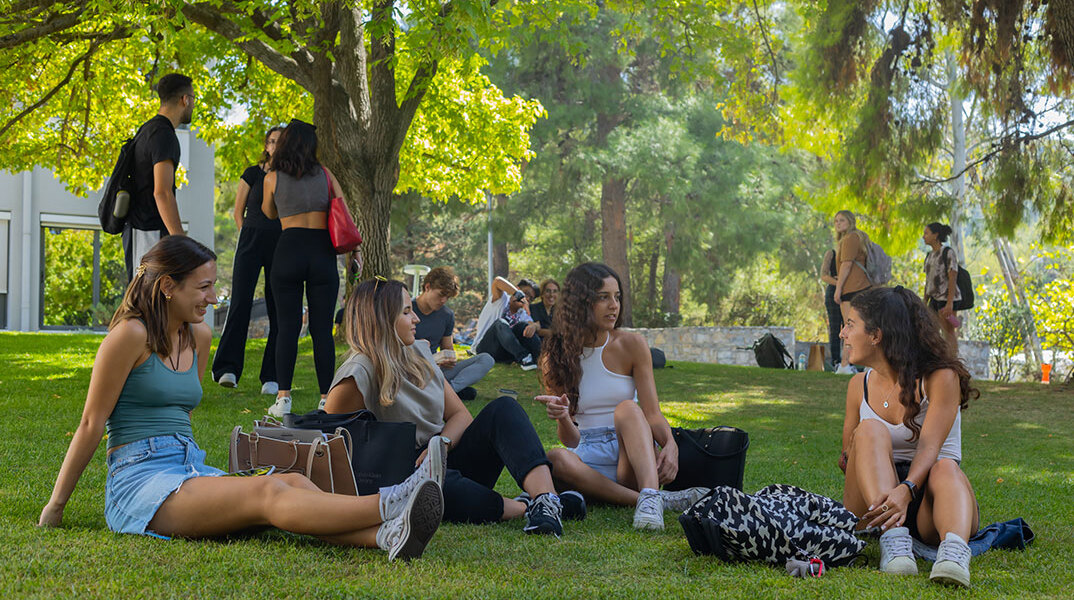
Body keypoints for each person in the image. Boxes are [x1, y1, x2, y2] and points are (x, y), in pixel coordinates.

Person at [38, 236, 443, 562]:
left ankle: (385, 536)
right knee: (268, 495)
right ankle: (391, 502)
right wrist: (56, 507)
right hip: (140, 481)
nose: (214, 298)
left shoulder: (198, 336)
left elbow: (183, 410)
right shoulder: (128, 336)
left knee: (293, 482)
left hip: (188, 466)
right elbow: (92, 423)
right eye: (204, 287)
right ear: (166, 287)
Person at [324, 278, 586, 536]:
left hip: (447, 453)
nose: (416, 319)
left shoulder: (417, 353)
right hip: (406, 475)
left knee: (505, 409)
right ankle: (525, 507)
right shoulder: (357, 374)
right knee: (430, 488)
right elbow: (331, 444)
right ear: (380, 319)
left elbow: (460, 414)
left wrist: (440, 445)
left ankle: (546, 500)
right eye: (406, 312)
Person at [536, 263, 708, 530]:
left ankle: (649, 499)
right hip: (586, 459)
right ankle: (653, 499)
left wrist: (671, 445)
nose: (613, 305)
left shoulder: (632, 345)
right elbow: (570, 438)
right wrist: (561, 417)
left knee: (628, 408)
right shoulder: (556, 355)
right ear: (580, 302)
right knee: (555, 458)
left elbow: (651, 413)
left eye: (617, 297)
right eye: (603, 297)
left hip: (630, 452)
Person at [838, 286, 980, 587]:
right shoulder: (856, 387)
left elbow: (929, 447)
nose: (842, 333)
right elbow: (847, 460)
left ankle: (953, 553)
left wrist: (905, 489)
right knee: (870, 429)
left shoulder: (941, 377)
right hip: (874, 506)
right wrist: (858, 453)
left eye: (850, 325)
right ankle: (893, 541)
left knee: (945, 465)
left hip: (930, 497)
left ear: (876, 335)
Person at [262, 119, 341, 417]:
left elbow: (268, 212)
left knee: (287, 327)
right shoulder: (326, 174)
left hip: (288, 250)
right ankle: (326, 398)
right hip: (322, 252)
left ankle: (283, 398)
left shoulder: (272, 176)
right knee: (322, 329)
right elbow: (340, 208)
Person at [212, 126, 284, 394]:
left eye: (282, 142)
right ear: (266, 145)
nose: (277, 146)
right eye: (273, 141)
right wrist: (248, 234)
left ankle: (272, 377)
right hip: (250, 241)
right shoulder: (252, 173)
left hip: (280, 244)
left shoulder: (288, 176)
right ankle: (226, 369)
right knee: (240, 302)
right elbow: (237, 212)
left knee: (278, 306)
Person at [123, 73, 194, 281]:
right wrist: (179, 238)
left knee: (153, 299)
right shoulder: (164, 135)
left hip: (145, 230)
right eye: (193, 99)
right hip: (147, 230)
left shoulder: (148, 130)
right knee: (144, 299)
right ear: (185, 99)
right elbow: (161, 192)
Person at [412, 266, 494, 401]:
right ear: (427, 287)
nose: (443, 300)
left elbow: (447, 348)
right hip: (411, 368)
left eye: (448, 297)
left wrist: (448, 359)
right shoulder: (406, 309)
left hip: (435, 369)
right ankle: (448, 391)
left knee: (486, 359)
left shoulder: (447, 315)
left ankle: (450, 390)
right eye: (441, 294)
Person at [472, 276, 541, 370]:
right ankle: (524, 357)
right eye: (526, 294)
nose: (527, 298)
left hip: (504, 354)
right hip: (485, 349)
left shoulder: (523, 313)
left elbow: (536, 324)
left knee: (524, 326)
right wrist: (519, 295)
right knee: (500, 323)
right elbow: (497, 281)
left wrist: (534, 326)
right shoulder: (501, 300)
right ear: (517, 289)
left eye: (531, 298)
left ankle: (541, 359)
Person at [832, 210, 870, 375]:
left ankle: (845, 365)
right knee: (861, 327)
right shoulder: (855, 238)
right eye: (836, 221)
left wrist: (838, 289)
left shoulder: (851, 238)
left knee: (850, 329)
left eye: (841, 220)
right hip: (859, 288)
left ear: (850, 221)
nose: (838, 223)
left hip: (852, 289)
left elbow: (846, 265)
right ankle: (850, 365)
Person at [922, 223, 962, 354]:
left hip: (947, 299)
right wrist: (924, 301)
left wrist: (949, 303)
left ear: (936, 235)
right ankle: (939, 360)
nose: (923, 237)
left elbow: (952, 277)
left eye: (926, 233)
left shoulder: (948, 252)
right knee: (932, 331)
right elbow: (928, 280)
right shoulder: (929, 256)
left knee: (948, 332)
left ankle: (953, 363)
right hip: (933, 299)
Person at [821, 248, 842, 368]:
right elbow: (823, 276)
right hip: (833, 292)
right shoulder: (831, 253)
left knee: (849, 327)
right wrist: (839, 283)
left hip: (850, 292)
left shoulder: (855, 254)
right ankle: (836, 361)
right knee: (835, 329)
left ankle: (848, 361)